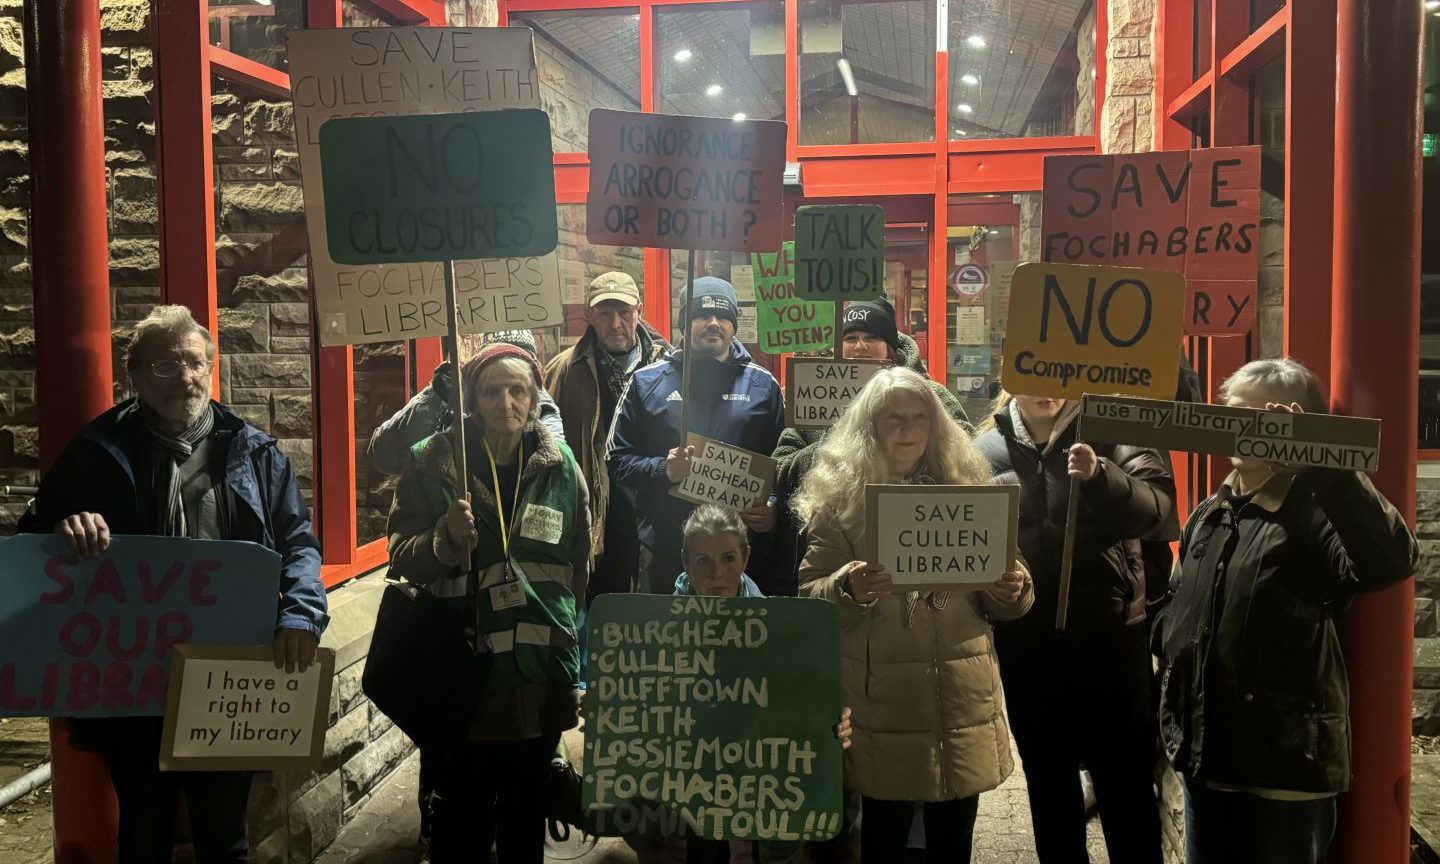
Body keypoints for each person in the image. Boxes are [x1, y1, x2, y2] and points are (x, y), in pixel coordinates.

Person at [19, 304, 327, 864]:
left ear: (211, 368)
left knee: (223, 834)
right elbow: (35, 542)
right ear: (133, 374)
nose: (184, 377)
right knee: (142, 829)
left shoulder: (254, 452)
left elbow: (298, 544)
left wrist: (301, 613)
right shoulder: (95, 452)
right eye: (165, 365)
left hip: (226, 671)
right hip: (131, 677)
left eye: (195, 363)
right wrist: (65, 528)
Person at [1152, 358, 1417, 864]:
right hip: (1206, 759)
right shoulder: (1212, 511)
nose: (1239, 428)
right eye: (1232, 414)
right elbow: (1178, 605)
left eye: (1257, 417)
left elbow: (1389, 560)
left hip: (1282, 770)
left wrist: (1320, 465)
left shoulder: (1313, 510)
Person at [793, 367, 1032, 864]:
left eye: (919, 417)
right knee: (885, 835)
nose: (907, 429)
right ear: (870, 427)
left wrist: (1014, 588)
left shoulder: (967, 487)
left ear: (935, 424)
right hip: (885, 703)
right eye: (894, 418)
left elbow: (1008, 581)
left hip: (960, 696)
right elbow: (809, 597)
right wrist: (846, 587)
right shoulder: (841, 503)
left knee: (953, 835)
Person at [385, 341, 590, 864]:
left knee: (526, 814)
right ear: (473, 400)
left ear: (535, 397)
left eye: (517, 390)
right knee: (463, 819)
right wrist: (442, 538)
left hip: (537, 676)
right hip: (463, 677)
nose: (506, 402)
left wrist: (568, 632)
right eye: (492, 391)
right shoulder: (433, 463)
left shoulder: (560, 465)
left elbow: (579, 561)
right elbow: (400, 554)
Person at [975, 390, 1177, 864]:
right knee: (1048, 787)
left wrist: (1102, 476)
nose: (1046, 387)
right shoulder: (983, 450)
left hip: (1111, 644)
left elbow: (1160, 512)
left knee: (1125, 786)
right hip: (1026, 646)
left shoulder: (1116, 431)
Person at [627, 503, 852, 864]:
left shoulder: (782, 630)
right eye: (704, 561)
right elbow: (639, 711)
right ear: (685, 562)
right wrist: (612, 707)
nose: (718, 574)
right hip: (686, 802)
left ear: (746, 558)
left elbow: (804, 698)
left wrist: (831, 720)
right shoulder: (655, 636)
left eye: (728, 558)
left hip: (760, 798)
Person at [762, 298, 968, 598]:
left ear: (891, 347)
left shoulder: (930, 395)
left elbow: (967, 455)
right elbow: (780, 469)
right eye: (851, 338)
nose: (860, 346)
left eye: (872, 337)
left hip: (919, 544)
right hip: (837, 551)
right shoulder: (815, 400)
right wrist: (837, 442)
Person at [609, 276, 785, 594]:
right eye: (702, 315)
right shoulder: (644, 383)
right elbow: (615, 459)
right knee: (664, 643)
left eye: (723, 316)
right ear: (684, 323)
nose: (713, 323)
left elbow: (786, 462)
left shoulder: (764, 386)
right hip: (664, 554)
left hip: (741, 560)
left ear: (735, 323)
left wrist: (773, 505)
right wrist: (663, 469)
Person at [544, 271, 670, 599]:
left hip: (657, 511)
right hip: (596, 517)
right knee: (603, 613)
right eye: (604, 313)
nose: (615, 324)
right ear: (589, 315)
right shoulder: (563, 371)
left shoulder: (670, 367)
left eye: (624, 313)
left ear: (639, 311)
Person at [368, 329, 565, 477]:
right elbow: (385, 456)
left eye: (517, 388)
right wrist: (436, 397)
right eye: (493, 387)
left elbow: (556, 466)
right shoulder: (461, 400)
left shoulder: (542, 408)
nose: (505, 402)